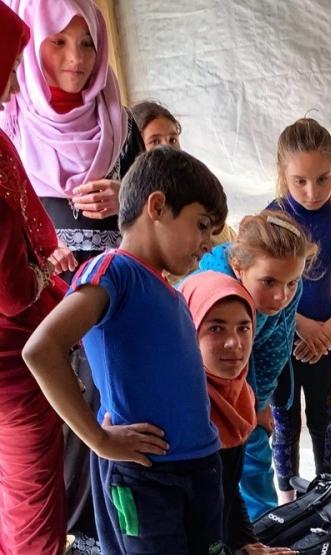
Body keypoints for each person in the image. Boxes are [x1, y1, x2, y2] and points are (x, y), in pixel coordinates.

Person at [22, 147, 229, 552]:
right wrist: (98, 439)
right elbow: (41, 349)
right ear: (157, 206)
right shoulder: (114, 270)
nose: (207, 243)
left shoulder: (170, 291)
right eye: (202, 225)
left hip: (199, 466)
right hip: (146, 476)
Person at [2, 0, 144, 279]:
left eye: (87, 44)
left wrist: (129, 198)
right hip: (41, 300)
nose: (76, 58)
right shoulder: (9, 123)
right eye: (58, 42)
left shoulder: (121, 125)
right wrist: (38, 245)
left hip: (119, 289)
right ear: (31, 45)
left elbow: (157, 213)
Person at [196, 209, 317, 520]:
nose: (281, 295)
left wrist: (258, 405)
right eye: (269, 281)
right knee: (209, 481)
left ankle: (262, 534)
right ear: (239, 267)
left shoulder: (289, 291)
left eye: (292, 282)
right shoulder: (210, 288)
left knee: (255, 462)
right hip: (196, 397)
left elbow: (274, 350)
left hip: (246, 387)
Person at [267, 118, 331, 503]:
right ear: (282, 174)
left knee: (326, 421)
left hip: (326, 343)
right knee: (285, 420)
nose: (312, 191)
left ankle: (326, 498)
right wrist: (300, 326)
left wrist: (328, 331)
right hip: (281, 342)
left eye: (322, 179)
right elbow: (263, 287)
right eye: (300, 181)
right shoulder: (272, 220)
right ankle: (286, 503)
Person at [0, 4, 67, 552]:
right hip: (14, 358)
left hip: (25, 337)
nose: (12, 84)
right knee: (31, 497)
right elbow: (14, 291)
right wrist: (49, 268)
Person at [180, 272, 297, 555]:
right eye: (216, 329)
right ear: (186, 330)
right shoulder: (176, 410)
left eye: (244, 328)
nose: (234, 344)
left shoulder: (240, 397)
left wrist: (247, 543)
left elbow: (227, 491)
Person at [131, 99, 235, 282]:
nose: (167, 147)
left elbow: (228, 243)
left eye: (172, 139)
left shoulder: (197, 188)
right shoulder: (132, 209)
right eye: (155, 141)